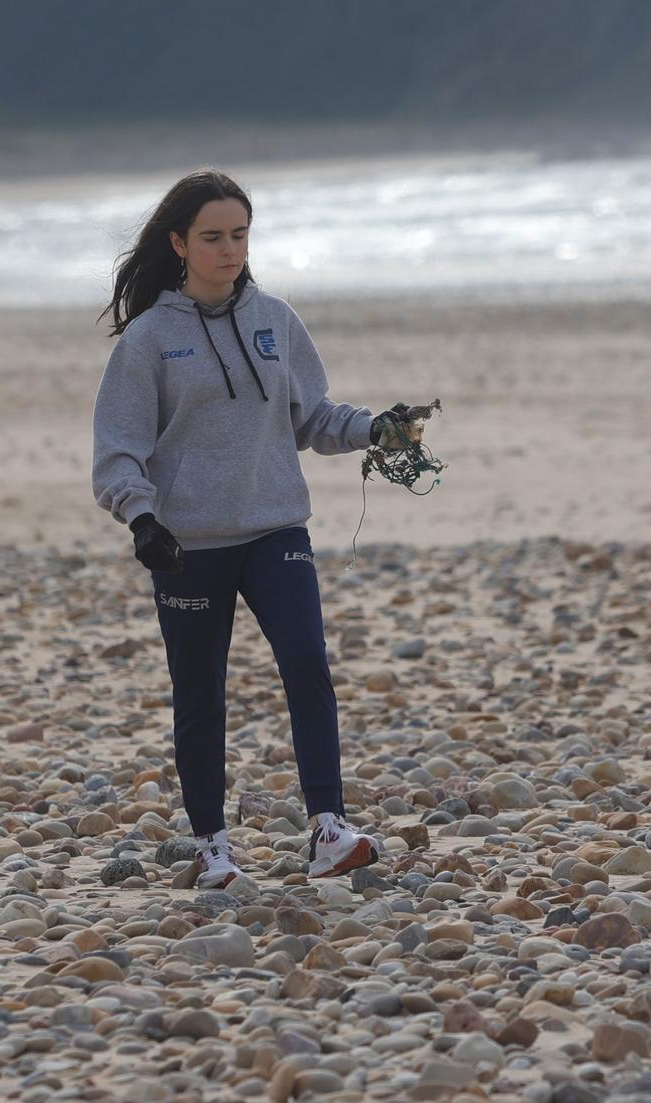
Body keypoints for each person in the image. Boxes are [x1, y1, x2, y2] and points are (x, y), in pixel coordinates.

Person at [91, 168, 417, 887]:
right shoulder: (147, 342)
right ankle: (212, 847)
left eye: (239, 235)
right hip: (187, 547)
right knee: (200, 694)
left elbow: (313, 419)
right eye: (212, 237)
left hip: (275, 530)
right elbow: (117, 453)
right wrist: (142, 520)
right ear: (179, 243)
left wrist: (378, 429)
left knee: (308, 665)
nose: (229, 250)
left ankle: (328, 828)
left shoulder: (275, 320)